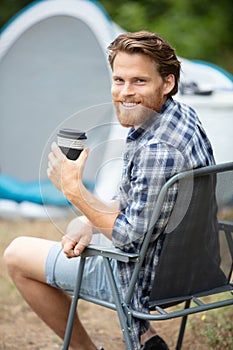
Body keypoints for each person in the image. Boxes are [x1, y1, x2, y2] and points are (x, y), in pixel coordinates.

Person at [3, 31, 215, 350]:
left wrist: (74, 192)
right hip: (195, 266)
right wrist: (89, 221)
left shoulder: (157, 150)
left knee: (17, 254)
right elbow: (149, 203)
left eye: (139, 81)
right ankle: (146, 339)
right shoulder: (182, 116)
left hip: (143, 280)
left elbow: (129, 239)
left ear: (167, 82)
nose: (125, 92)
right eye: (119, 80)